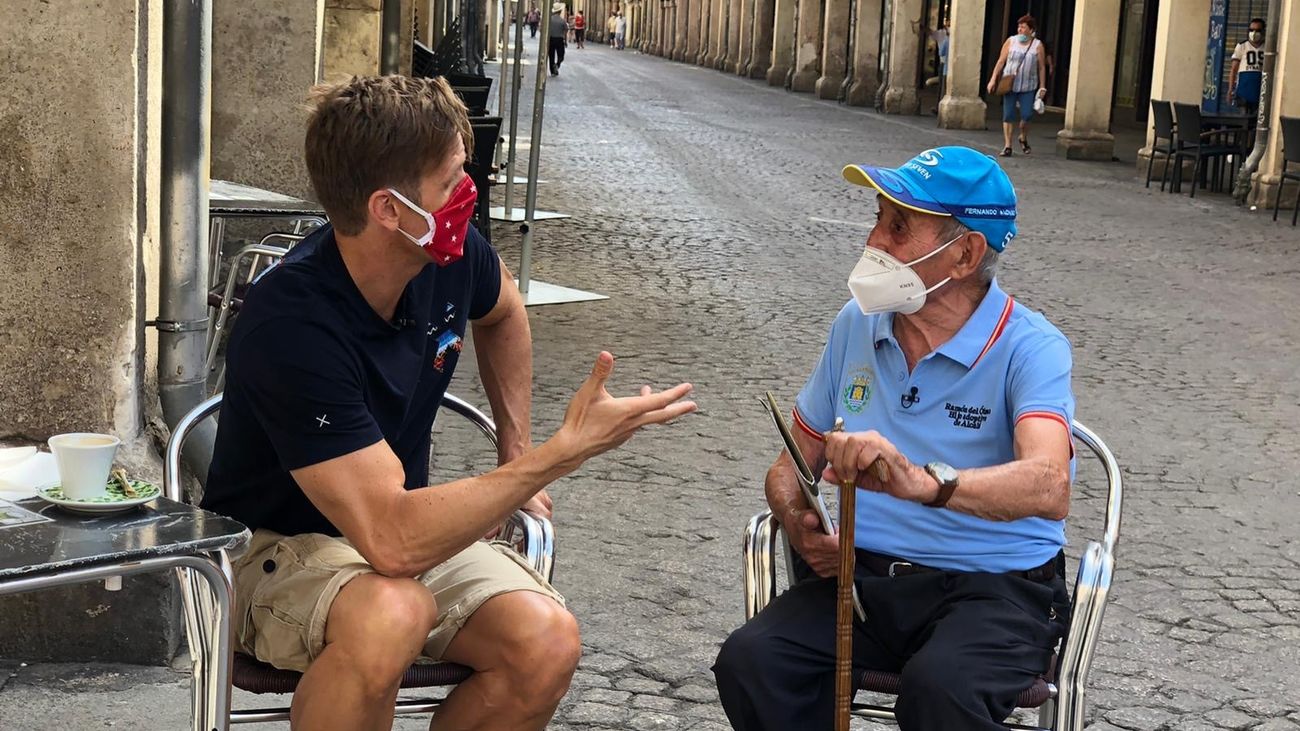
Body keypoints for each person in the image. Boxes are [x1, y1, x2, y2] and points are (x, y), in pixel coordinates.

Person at [201, 75, 697, 731]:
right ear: (389, 209)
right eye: (453, 179)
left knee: (546, 640)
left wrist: (514, 445)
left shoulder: (449, 257)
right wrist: (554, 457)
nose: (471, 191)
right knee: (393, 611)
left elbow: (505, 312)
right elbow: (392, 540)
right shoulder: (291, 323)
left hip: (392, 537)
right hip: (270, 549)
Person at [713, 146, 1074, 731]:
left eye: (898, 226)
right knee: (752, 662)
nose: (874, 240)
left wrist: (923, 483)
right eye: (878, 218)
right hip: (864, 583)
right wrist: (798, 521)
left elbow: (1049, 484)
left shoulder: (1030, 347)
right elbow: (789, 467)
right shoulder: (856, 324)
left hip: (994, 592)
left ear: (964, 254)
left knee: (941, 692)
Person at [987, 15, 1048, 157]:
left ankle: (1022, 136)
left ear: (1031, 30)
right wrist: (993, 79)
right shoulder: (1011, 41)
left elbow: (1041, 67)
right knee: (1008, 115)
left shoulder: (1037, 45)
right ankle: (1008, 145)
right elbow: (1001, 61)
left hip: (1028, 85)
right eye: (1019, 27)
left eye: (1023, 27)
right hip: (1010, 85)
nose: (1020, 29)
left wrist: (1042, 86)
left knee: (1027, 115)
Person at [1229, 17, 1266, 116]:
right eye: (1251, 30)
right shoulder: (1242, 46)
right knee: (1243, 119)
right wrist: (1230, 89)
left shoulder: (1267, 47)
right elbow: (1234, 69)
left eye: (1258, 30)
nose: (1254, 33)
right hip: (1244, 91)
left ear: (1263, 31)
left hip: (1261, 91)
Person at [548, 3, 567, 75]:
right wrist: (565, 41)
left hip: (551, 39)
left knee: (551, 55)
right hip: (559, 40)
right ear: (560, 11)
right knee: (561, 55)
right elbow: (566, 31)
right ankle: (557, 64)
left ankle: (552, 71)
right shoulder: (562, 21)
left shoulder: (549, 20)